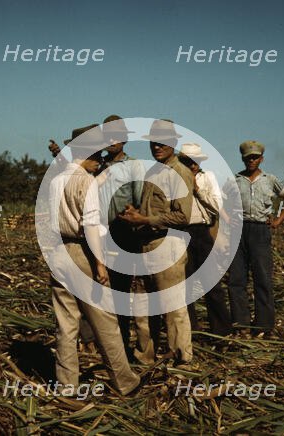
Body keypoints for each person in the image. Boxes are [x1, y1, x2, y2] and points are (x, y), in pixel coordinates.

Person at [49, 124, 140, 396]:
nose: (101, 161)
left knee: (65, 324)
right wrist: (100, 264)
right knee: (105, 320)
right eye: (98, 155)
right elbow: (90, 227)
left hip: (57, 252)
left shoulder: (55, 180)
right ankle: (125, 382)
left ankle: (66, 387)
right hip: (80, 252)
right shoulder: (85, 181)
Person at [119, 119, 194, 368]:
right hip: (146, 246)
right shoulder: (154, 172)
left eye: (162, 142)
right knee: (142, 307)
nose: (157, 146)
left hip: (167, 246)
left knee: (173, 309)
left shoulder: (179, 173)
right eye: (153, 142)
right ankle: (145, 358)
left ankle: (181, 360)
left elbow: (183, 216)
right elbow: (150, 209)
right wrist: (135, 214)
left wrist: (146, 218)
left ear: (173, 143)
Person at [223, 140, 284, 338]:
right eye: (248, 158)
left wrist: (278, 221)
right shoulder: (235, 180)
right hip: (239, 231)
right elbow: (219, 201)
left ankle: (264, 326)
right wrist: (229, 220)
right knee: (236, 280)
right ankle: (241, 325)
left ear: (261, 158)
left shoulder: (269, 180)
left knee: (262, 278)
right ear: (243, 159)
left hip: (260, 231)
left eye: (255, 157)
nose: (251, 160)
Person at [98, 115, 145, 357]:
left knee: (121, 291)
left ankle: (123, 344)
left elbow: (138, 202)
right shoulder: (98, 166)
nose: (112, 140)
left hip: (123, 233)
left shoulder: (133, 166)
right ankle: (103, 343)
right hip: (99, 233)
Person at [177, 143, 232, 336]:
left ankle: (221, 330)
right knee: (185, 284)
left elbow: (216, 205)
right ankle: (190, 329)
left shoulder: (207, 177)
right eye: (187, 161)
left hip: (201, 232)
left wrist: (198, 190)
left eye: (195, 162)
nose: (192, 166)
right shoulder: (175, 179)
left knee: (211, 283)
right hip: (181, 233)